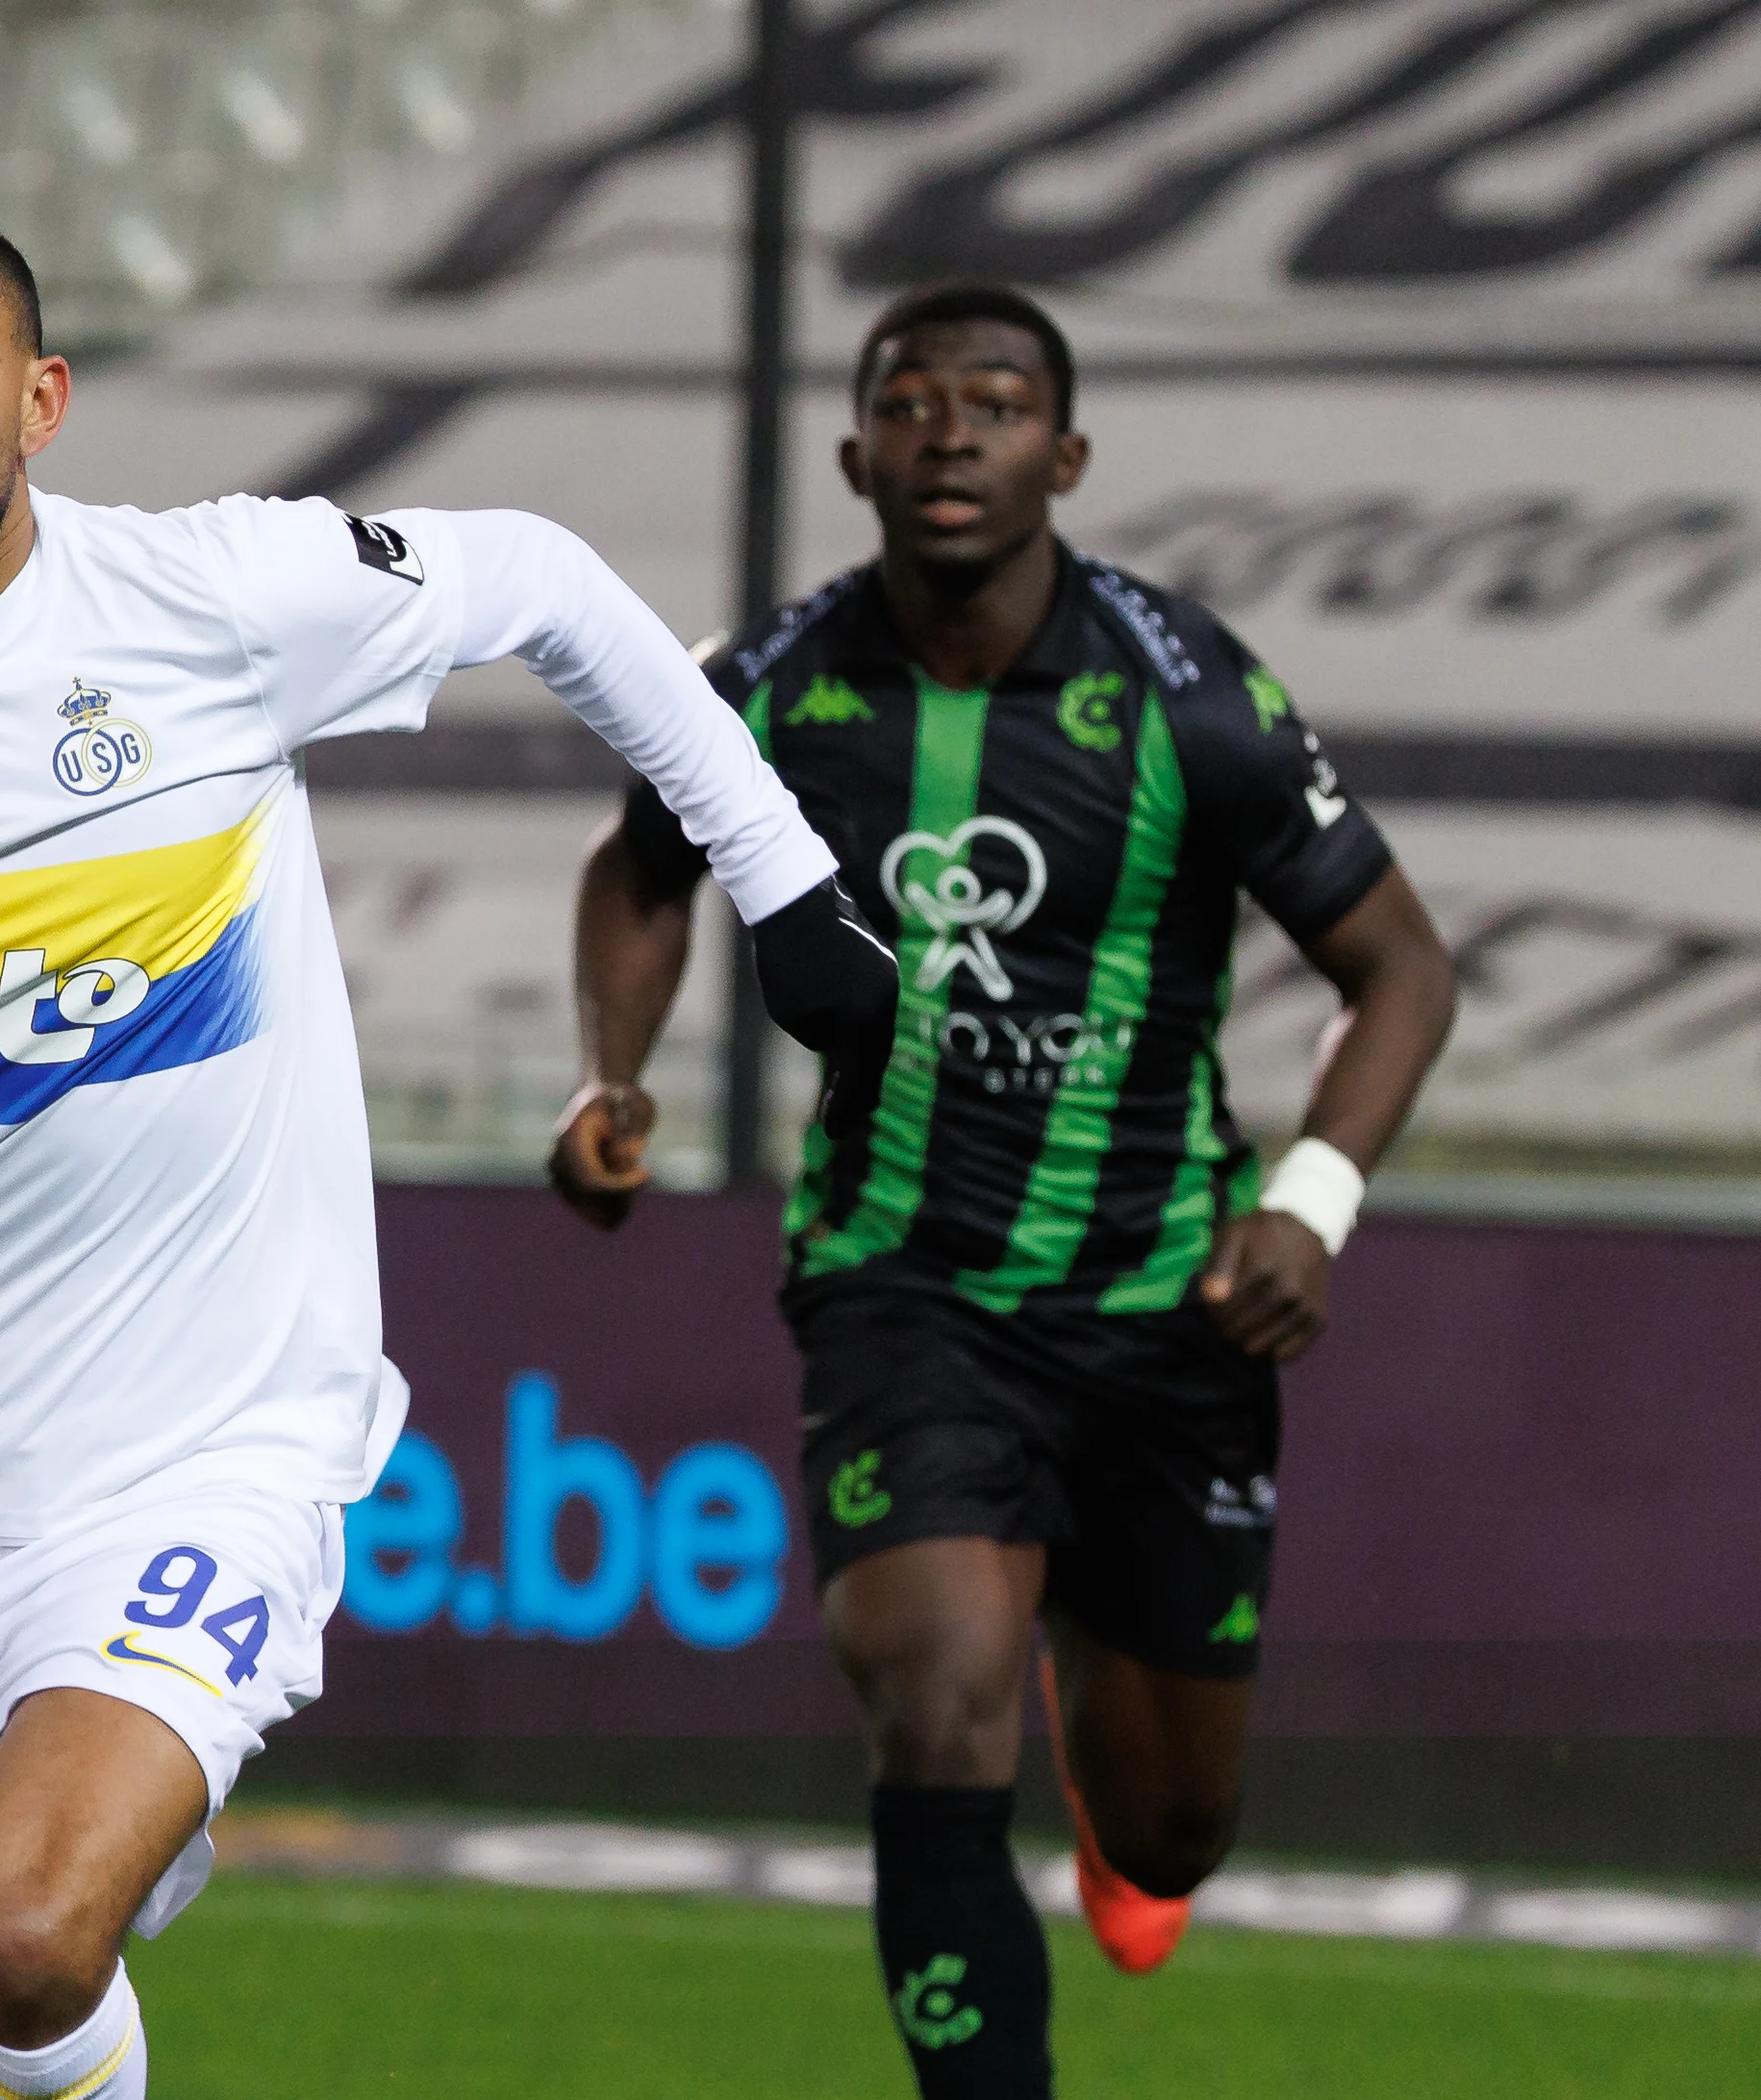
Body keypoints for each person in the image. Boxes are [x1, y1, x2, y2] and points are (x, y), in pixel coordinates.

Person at [0, 194, 894, 2099]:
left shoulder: (198, 603)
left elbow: (536, 576)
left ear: (35, 401)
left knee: (26, 1937)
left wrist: (782, 886)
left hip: (202, 1454)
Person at [550, 282, 1459, 2096]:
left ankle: (1115, 1784)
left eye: (991, 403)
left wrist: (1310, 1202)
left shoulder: (1189, 695)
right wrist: (612, 1075)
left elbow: (1403, 970)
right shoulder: (773, 686)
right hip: (904, 1292)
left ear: (1065, 453)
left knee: (1173, 1827)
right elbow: (639, 873)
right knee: (935, 1685)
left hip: (1161, 1301)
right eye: (910, 401)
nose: (948, 432)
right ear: (854, 451)